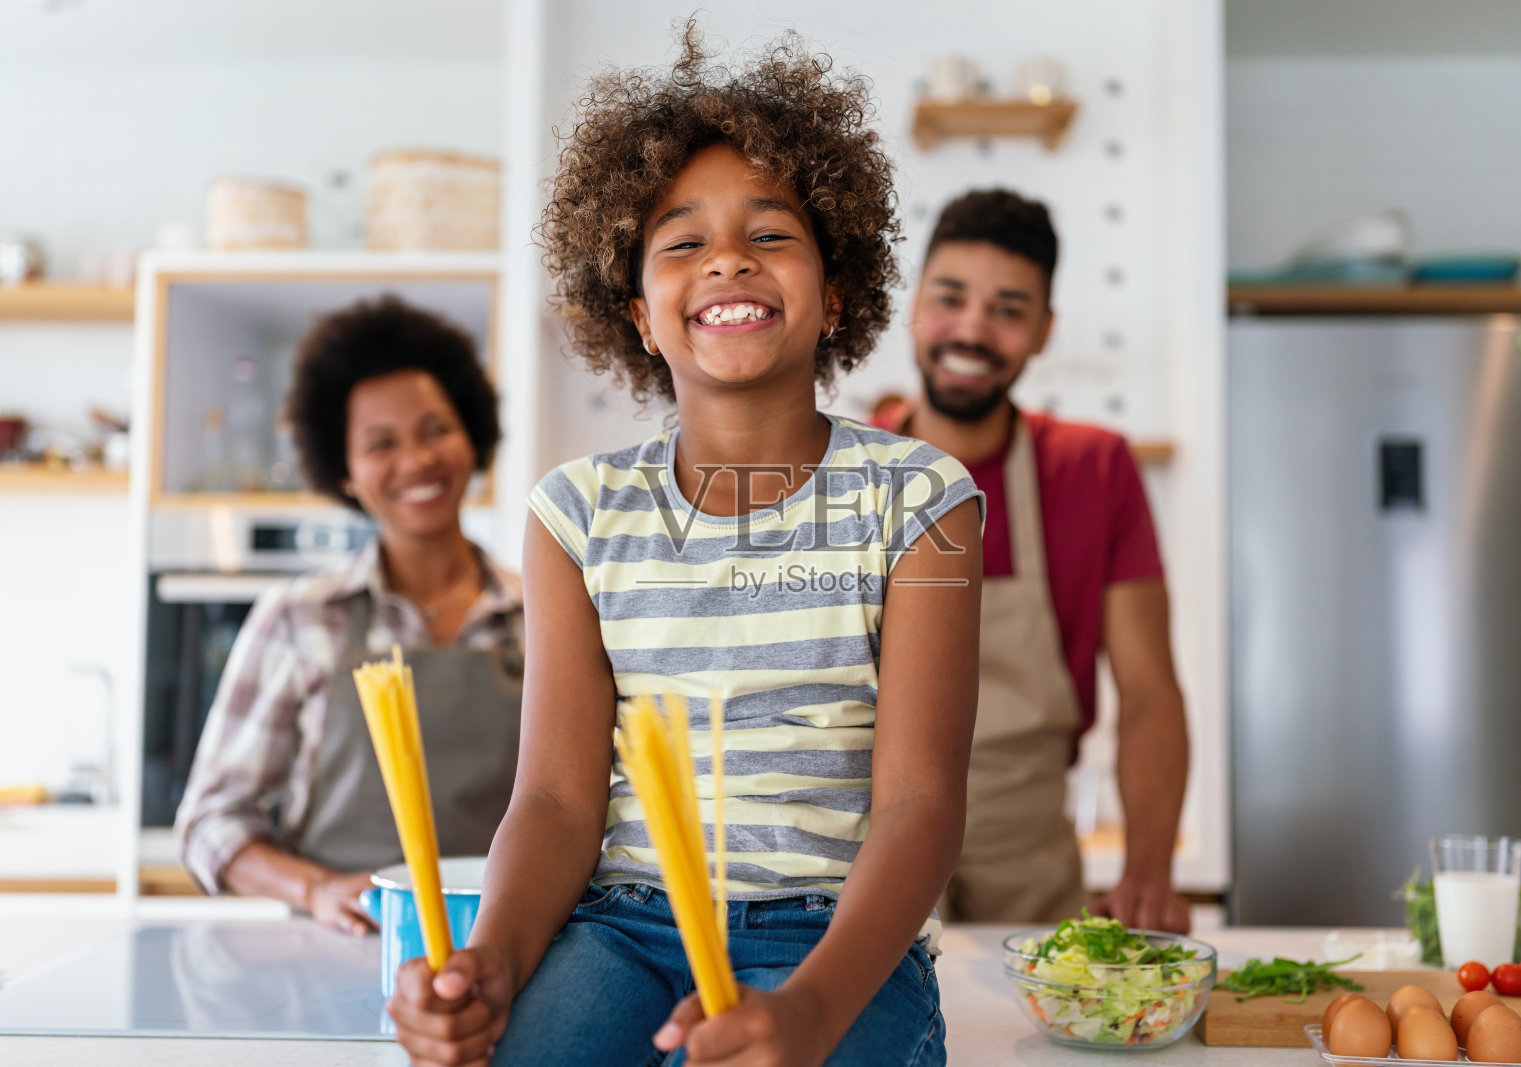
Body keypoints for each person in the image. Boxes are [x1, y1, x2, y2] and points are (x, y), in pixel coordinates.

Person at [385, 26, 983, 1067]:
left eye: (772, 233)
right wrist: (493, 962)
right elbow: (557, 799)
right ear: (641, 317)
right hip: (623, 927)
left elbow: (919, 800)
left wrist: (812, 1009)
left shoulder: (922, 497)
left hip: (834, 935)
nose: (728, 259)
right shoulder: (575, 514)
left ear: (836, 294)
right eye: (681, 242)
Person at [875, 189, 1191, 933]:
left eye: (1008, 310)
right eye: (950, 298)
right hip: (870, 844)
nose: (972, 329)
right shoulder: (845, 473)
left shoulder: (1094, 469)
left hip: (1028, 848)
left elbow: (1149, 693)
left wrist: (1149, 871)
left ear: (1044, 331)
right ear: (915, 305)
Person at [175, 295, 524, 936]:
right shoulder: (298, 619)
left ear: (473, 437)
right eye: (380, 443)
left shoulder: (541, 616)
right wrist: (315, 890)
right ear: (344, 473)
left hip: (504, 946)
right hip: (334, 945)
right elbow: (210, 823)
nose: (417, 461)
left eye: (436, 430)